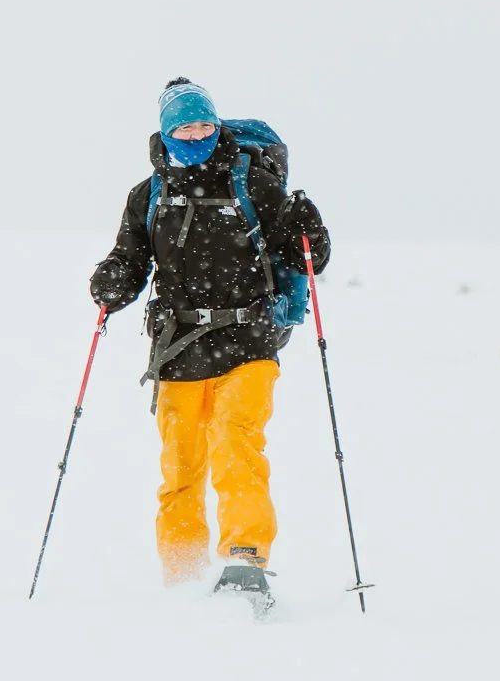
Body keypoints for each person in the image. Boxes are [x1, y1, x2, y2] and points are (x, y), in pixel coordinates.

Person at [89, 78, 330, 598]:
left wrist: (313, 236)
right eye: (184, 125)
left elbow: (302, 254)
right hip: (178, 348)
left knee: (236, 443)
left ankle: (245, 557)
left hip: (249, 339)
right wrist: (111, 283)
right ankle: (182, 574)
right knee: (181, 467)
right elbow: (131, 260)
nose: (196, 133)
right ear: (165, 131)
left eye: (203, 123)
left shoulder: (254, 181)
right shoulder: (148, 194)